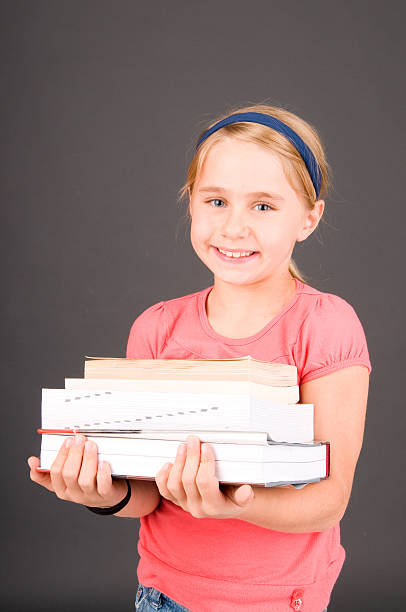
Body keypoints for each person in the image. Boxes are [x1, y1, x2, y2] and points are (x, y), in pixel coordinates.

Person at [28, 104, 371, 612]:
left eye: (263, 206)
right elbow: (149, 493)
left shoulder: (324, 325)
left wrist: (234, 505)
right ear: (191, 202)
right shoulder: (156, 328)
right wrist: (105, 495)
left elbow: (329, 499)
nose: (233, 228)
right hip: (164, 593)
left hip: (278, 601)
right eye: (216, 201)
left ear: (309, 217)